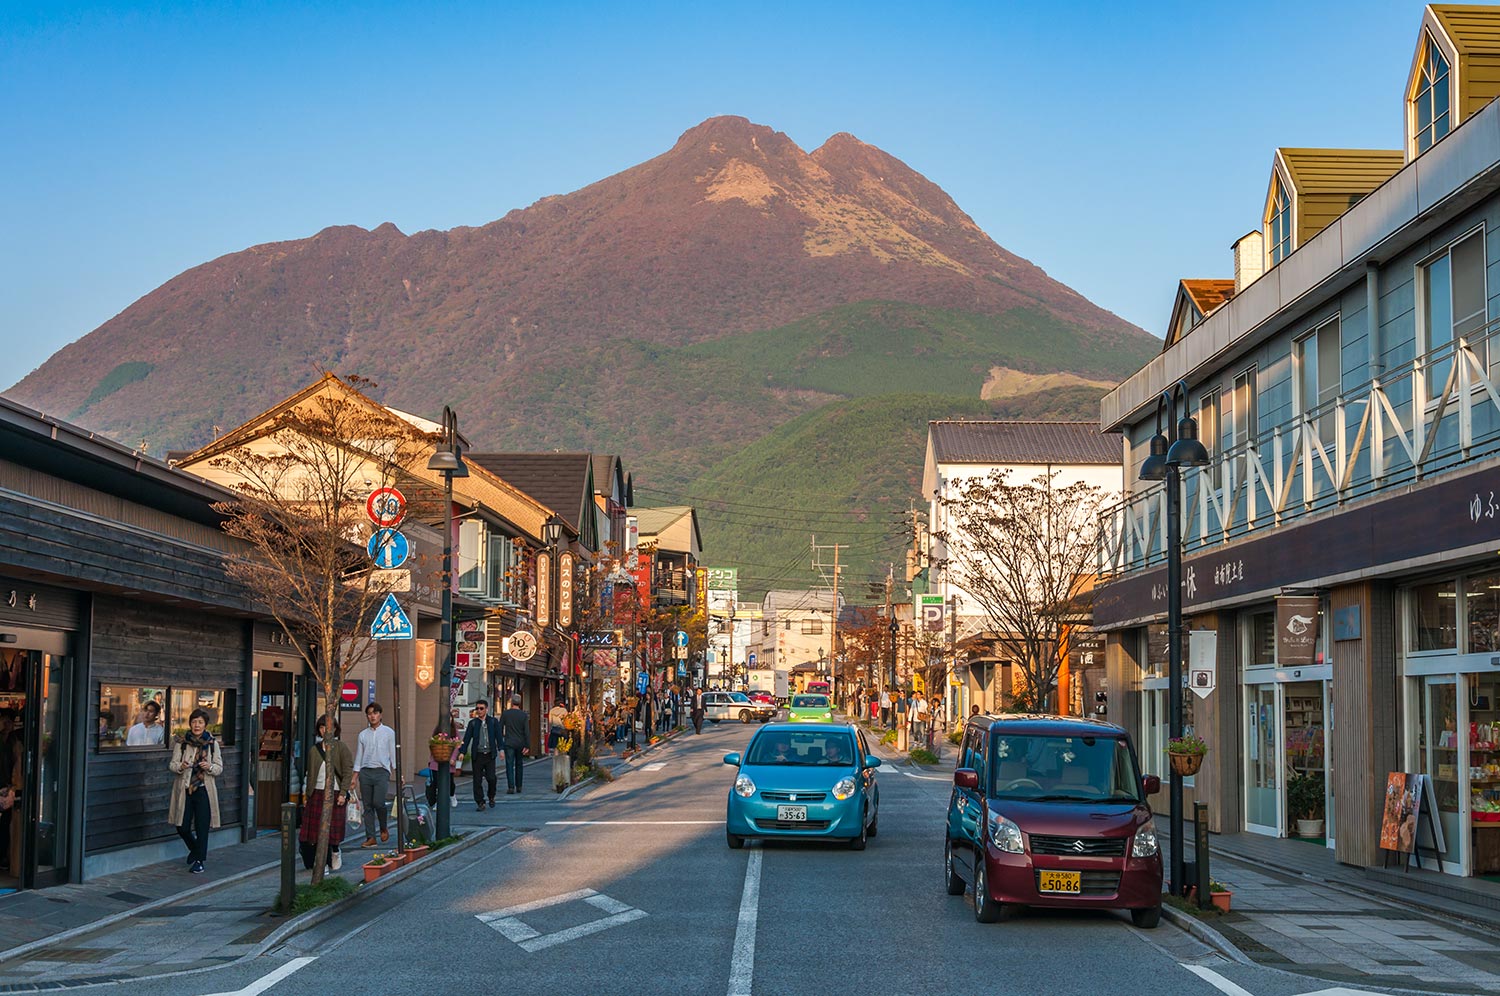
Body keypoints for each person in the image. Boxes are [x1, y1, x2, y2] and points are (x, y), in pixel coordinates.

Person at [168, 708, 222, 874]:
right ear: (190, 723)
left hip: (204, 789)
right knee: (182, 826)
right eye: (194, 722)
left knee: (202, 826)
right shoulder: (181, 742)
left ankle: (199, 861)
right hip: (185, 789)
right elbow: (172, 765)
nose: (196, 725)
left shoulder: (212, 744)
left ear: (205, 725)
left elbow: (219, 767)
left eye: (200, 722)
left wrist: (210, 767)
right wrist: (181, 766)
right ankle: (195, 849)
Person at [299, 715, 353, 871]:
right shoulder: (314, 750)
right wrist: (306, 794)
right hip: (316, 792)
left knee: (333, 829)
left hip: (335, 793)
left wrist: (343, 792)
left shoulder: (341, 748)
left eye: (328, 727)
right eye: (322, 727)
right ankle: (321, 861)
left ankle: (335, 851)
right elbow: (309, 774)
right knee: (315, 830)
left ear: (335, 729)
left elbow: (347, 771)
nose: (325, 730)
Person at [353, 702, 396, 846]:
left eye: (375, 713)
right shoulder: (363, 735)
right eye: (369, 713)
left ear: (380, 715)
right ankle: (370, 837)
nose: (372, 716)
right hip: (365, 771)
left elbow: (393, 754)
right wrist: (355, 777)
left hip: (382, 771)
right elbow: (359, 756)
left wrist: (398, 772)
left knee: (378, 802)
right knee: (368, 805)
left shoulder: (389, 732)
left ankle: (383, 827)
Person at [460, 700, 503, 810]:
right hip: (478, 755)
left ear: (486, 709)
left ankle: (491, 796)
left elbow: (499, 737)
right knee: (477, 780)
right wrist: (462, 752)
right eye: (477, 708)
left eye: (481, 708)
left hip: (489, 754)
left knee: (491, 778)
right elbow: (467, 738)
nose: (479, 711)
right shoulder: (473, 723)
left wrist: (501, 750)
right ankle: (480, 802)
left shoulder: (493, 722)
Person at [500, 693, 531, 794]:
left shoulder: (506, 714)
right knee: (519, 764)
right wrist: (527, 745)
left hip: (509, 742)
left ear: (511, 702)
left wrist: (500, 743)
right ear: (520, 702)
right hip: (520, 742)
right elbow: (526, 731)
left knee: (509, 764)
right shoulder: (523, 715)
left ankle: (511, 786)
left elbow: (500, 728)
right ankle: (519, 786)